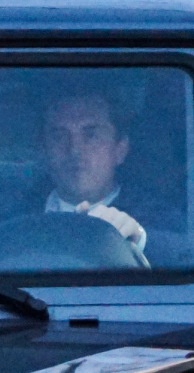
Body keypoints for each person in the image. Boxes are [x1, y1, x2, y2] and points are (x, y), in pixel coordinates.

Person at [40, 91, 149, 258]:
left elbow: (182, 252)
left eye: (91, 135)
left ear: (120, 149)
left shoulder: (158, 215)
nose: (74, 150)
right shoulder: (11, 220)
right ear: (44, 150)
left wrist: (138, 240)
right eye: (59, 136)